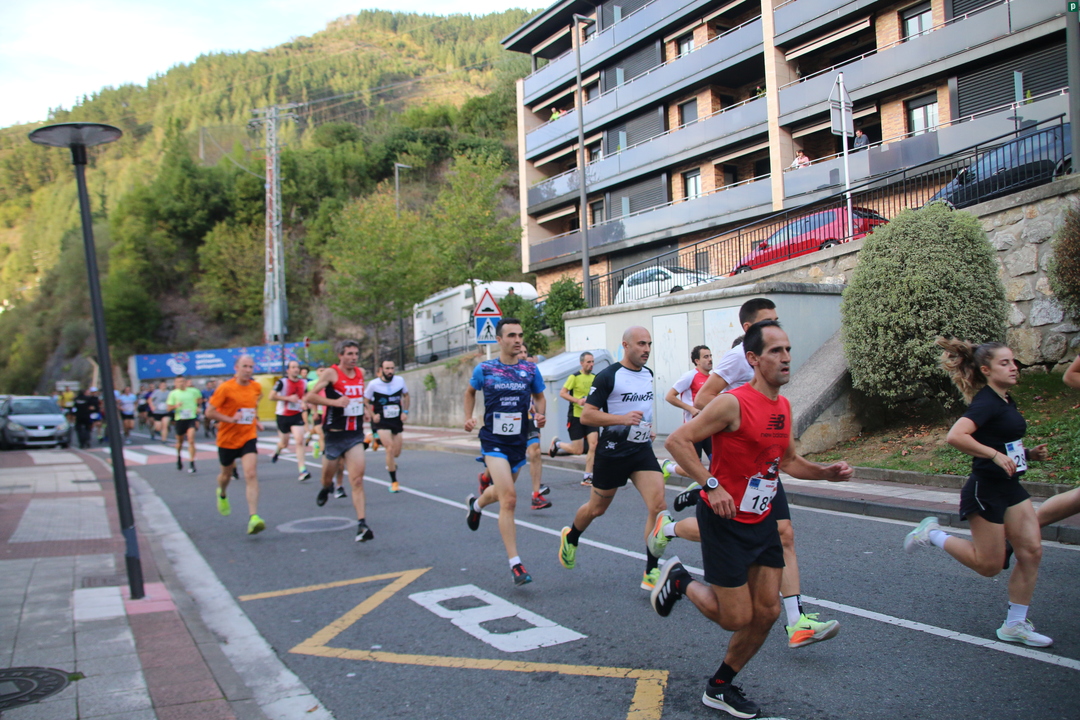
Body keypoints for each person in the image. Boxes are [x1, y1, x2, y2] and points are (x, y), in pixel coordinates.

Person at [652, 320, 853, 718]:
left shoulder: (784, 406)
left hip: (761, 521)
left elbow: (789, 461)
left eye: (788, 349)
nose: (786, 357)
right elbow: (678, 441)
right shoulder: (732, 403)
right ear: (753, 359)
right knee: (736, 618)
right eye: (776, 351)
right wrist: (710, 484)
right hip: (724, 521)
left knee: (768, 613)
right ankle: (679, 580)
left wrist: (825, 472)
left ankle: (720, 687)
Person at [904, 338, 1051, 647]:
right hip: (986, 490)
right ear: (986, 370)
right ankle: (932, 534)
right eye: (1004, 363)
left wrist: (1027, 454)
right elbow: (956, 436)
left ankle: (1015, 625)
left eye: (1013, 362)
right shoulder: (986, 402)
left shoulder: (1005, 400)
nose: (1013, 367)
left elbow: (999, 440)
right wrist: (994, 456)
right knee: (989, 565)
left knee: (1031, 552)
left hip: (1010, 487)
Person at [558, 326, 668, 590]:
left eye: (649, 344)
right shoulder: (608, 376)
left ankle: (651, 570)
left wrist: (647, 428)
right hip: (612, 452)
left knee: (658, 506)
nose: (646, 349)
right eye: (641, 344)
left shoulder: (648, 374)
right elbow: (587, 416)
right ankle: (571, 537)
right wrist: (622, 419)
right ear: (625, 346)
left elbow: (642, 409)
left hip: (640, 450)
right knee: (596, 509)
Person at [463, 318, 546, 586]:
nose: (517, 339)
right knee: (509, 498)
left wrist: (539, 414)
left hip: (518, 442)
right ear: (499, 340)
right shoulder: (485, 369)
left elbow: (539, 397)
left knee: (499, 492)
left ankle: (476, 505)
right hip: (493, 440)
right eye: (511, 335)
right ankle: (516, 564)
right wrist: (468, 417)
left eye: (520, 335)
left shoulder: (530, 369)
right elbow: (470, 392)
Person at [305, 340, 374, 542]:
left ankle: (362, 524)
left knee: (357, 480)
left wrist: (366, 411)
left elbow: (359, 396)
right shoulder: (331, 373)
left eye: (356, 353)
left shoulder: (360, 373)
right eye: (349, 354)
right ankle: (326, 488)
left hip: (354, 434)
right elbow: (310, 397)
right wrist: (334, 402)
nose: (354, 357)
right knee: (327, 477)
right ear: (340, 355)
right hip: (334, 434)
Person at [206, 356, 266, 535]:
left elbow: (254, 404)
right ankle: (222, 493)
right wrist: (230, 419)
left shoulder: (256, 387)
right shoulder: (225, 388)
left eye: (251, 367)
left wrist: (256, 419)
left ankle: (253, 517)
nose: (248, 370)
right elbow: (209, 412)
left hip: (248, 436)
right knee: (226, 474)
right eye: (244, 366)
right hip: (227, 439)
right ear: (236, 368)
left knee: (250, 473)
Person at [661, 345, 713, 477]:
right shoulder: (690, 376)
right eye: (706, 357)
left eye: (710, 356)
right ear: (697, 361)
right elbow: (670, 396)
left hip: (710, 428)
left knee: (719, 464)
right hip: (693, 429)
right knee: (693, 470)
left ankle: (706, 487)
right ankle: (669, 468)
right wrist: (691, 409)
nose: (710, 359)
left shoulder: (713, 379)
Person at [550, 352, 599, 487]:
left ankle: (588, 476)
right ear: (581, 363)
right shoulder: (574, 377)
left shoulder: (595, 378)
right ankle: (558, 444)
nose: (591, 364)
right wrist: (577, 400)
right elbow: (563, 393)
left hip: (591, 416)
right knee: (578, 450)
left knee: (593, 445)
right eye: (588, 362)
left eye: (592, 362)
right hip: (576, 416)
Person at [365, 359, 410, 493]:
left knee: (396, 453)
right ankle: (394, 482)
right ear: (381, 370)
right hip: (381, 420)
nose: (390, 371)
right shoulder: (374, 384)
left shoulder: (400, 381)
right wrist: (373, 415)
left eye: (392, 368)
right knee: (389, 449)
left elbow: (406, 396)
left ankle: (373, 438)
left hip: (396, 420)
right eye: (387, 369)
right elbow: (365, 401)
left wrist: (405, 411)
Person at [270, 360, 312, 482]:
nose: (296, 369)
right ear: (288, 370)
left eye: (297, 367)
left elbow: (306, 395)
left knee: (299, 440)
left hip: (296, 415)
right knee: (284, 443)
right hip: (283, 415)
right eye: (293, 367)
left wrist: (305, 402)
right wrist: (287, 398)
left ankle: (302, 469)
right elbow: (271, 396)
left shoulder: (304, 383)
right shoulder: (282, 382)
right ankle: (278, 449)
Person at [167, 376, 203, 474]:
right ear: (175, 383)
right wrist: (176, 406)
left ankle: (192, 462)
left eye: (182, 381)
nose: (181, 383)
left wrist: (198, 407)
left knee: (191, 440)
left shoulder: (193, 391)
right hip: (180, 419)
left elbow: (199, 400)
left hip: (191, 418)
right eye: (179, 382)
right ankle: (179, 456)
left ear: (186, 382)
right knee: (180, 442)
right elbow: (168, 408)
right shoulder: (173, 393)